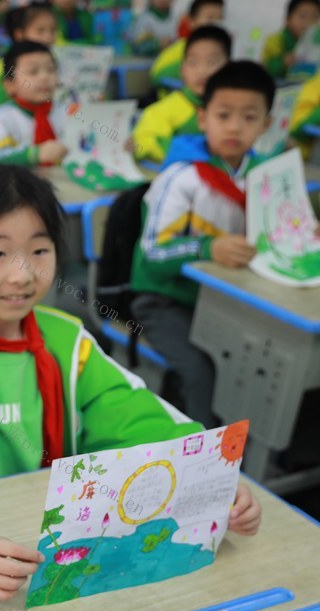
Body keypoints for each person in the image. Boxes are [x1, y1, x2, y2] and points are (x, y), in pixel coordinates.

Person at [0, 164, 262, 599]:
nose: (22, 275)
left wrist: (208, 479)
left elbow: (136, 414)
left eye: (39, 251)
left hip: (56, 551)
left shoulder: (68, 341)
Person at [131, 61, 275, 428]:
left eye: (249, 117)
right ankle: (203, 453)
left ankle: (254, 445)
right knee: (203, 368)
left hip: (227, 300)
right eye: (223, 114)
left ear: (266, 125)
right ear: (202, 117)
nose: (234, 127)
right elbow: (153, 254)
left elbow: (270, 238)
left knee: (262, 362)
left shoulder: (264, 178)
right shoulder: (182, 176)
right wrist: (208, 249)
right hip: (164, 300)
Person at [133, 25, 230, 164]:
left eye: (212, 62)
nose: (202, 71)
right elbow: (143, 145)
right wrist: (189, 153)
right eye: (193, 63)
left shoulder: (236, 109)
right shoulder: (162, 111)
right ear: (182, 70)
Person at [0, 41, 67, 166]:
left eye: (51, 70)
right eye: (33, 72)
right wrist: (34, 155)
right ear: (10, 85)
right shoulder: (3, 117)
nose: (44, 77)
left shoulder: (64, 112)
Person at [0, 1, 58, 110]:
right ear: (20, 34)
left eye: (53, 30)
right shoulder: (0, 65)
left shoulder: (54, 58)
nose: (48, 37)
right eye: (40, 31)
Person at [152, 0, 224, 89]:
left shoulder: (223, 49)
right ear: (192, 22)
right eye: (210, 18)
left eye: (220, 19)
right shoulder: (180, 48)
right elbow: (157, 76)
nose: (217, 24)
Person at [262, 0, 320, 78]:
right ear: (288, 20)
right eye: (302, 16)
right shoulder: (276, 40)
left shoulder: (317, 41)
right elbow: (265, 67)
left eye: (315, 17)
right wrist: (284, 62)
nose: (309, 22)